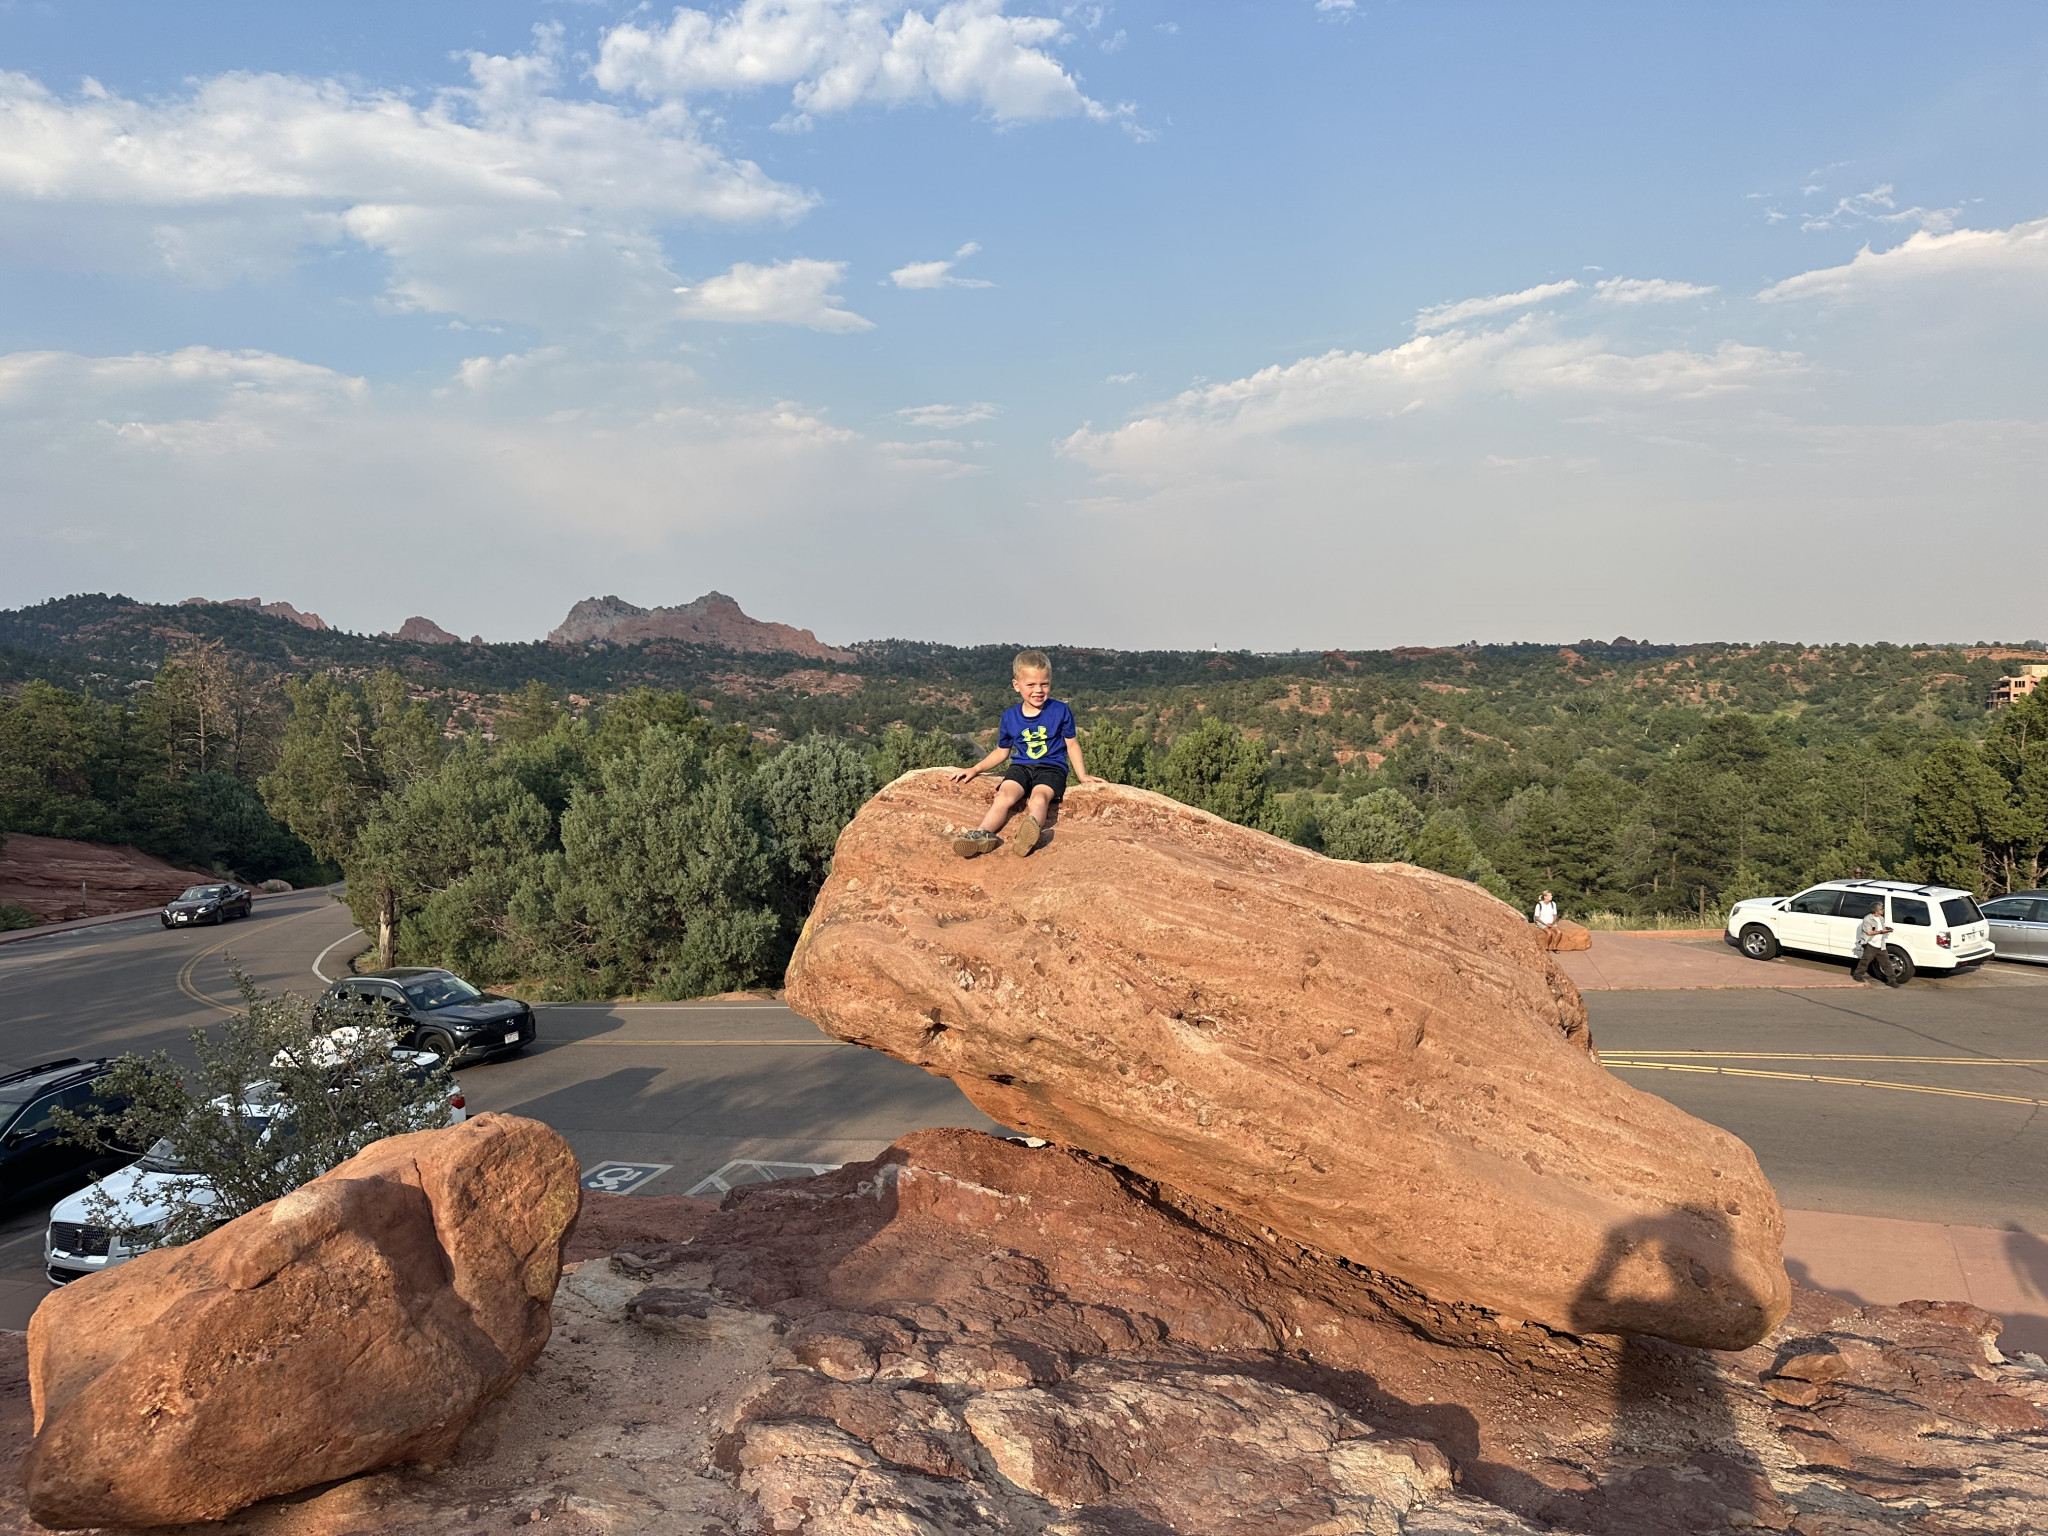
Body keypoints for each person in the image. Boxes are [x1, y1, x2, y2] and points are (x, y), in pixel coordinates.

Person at [950, 651, 1092, 858]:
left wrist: (1082, 776)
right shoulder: (1010, 717)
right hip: (1021, 767)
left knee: (1039, 798)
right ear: (1017, 685)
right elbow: (1002, 751)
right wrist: (975, 769)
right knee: (1003, 796)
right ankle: (982, 834)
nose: (1038, 690)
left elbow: (1071, 744)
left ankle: (1030, 833)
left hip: (1052, 768)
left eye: (1044, 684)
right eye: (1031, 685)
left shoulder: (1060, 710)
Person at [1850, 903, 1895, 984]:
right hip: (1871, 944)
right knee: (1865, 961)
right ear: (1876, 910)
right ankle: (1858, 975)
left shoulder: (1881, 918)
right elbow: (1869, 932)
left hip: (1880, 945)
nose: (1883, 910)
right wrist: (1881, 931)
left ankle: (1892, 980)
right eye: (1881, 909)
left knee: (1886, 963)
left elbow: (1881, 928)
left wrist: (1887, 929)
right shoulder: (1867, 919)